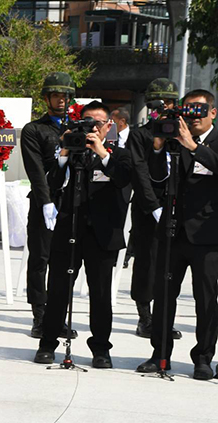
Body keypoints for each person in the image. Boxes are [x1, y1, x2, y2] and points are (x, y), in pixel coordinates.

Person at [34, 101, 133, 368]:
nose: (92, 128)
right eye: (86, 122)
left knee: (100, 295)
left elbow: (123, 180)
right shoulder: (71, 153)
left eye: (98, 123)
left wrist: (101, 152)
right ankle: (48, 343)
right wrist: (65, 151)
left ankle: (101, 349)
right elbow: (52, 184)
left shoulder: (119, 153)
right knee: (57, 290)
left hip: (102, 235)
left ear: (108, 126)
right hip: (69, 229)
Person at [136, 89, 218, 380]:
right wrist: (158, 146)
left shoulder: (205, 141)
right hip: (173, 231)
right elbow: (157, 177)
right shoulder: (176, 138)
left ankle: (204, 358)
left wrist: (193, 146)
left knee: (206, 299)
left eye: (200, 109)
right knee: (164, 294)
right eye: (189, 109)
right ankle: (159, 354)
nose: (193, 115)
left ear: (212, 112)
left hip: (208, 236)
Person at [21, 72, 78, 339]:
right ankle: (40, 315)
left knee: (64, 262)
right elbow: (35, 170)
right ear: (46, 98)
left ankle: (58, 315)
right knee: (40, 259)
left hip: (71, 203)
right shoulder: (34, 130)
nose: (61, 100)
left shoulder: (78, 129)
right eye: (56, 95)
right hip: (45, 202)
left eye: (65, 96)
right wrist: (45, 201)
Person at [127, 79, 183, 340]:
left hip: (178, 205)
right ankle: (144, 317)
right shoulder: (141, 135)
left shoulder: (184, 133)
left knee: (171, 264)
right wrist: (152, 206)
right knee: (147, 262)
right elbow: (139, 171)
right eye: (159, 103)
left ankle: (163, 318)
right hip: (148, 207)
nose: (165, 108)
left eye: (169, 102)